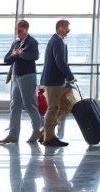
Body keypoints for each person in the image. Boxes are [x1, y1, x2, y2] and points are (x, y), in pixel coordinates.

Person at [0, 20, 44, 145]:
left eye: (20, 30)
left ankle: (38, 130)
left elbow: (33, 56)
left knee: (29, 103)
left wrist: (20, 53)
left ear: (26, 29)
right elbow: (7, 59)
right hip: (16, 76)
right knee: (15, 105)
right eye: (17, 30)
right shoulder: (16, 43)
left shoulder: (32, 42)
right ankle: (13, 134)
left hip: (27, 75)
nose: (18, 33)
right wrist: (16, 53)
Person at [40, 19, 75, 147]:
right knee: (53, 107)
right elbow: (60, 61)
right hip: (53, 80)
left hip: (51, 79)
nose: (68, 31)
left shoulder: (54, 40)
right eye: (67, 28)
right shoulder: (57, 41)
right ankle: (48, 137)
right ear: (60, 28)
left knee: (54, 107)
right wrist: (69, 75)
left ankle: (48, 135)